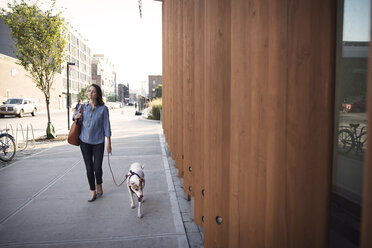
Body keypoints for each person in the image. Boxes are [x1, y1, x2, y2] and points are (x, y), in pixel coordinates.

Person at [73, 84, 112, 202]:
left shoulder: (103, 109)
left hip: (98, 142)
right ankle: (93, 191)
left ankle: (99, 183)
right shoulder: (83, 107)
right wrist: (76, 116)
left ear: (98, 94)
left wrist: (109, 143)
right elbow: (76, 118)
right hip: (84, 141)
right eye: (89, 91)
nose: (91, 93)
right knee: (89, 168)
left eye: (94, 91)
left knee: (97, 167)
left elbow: (106, 126)